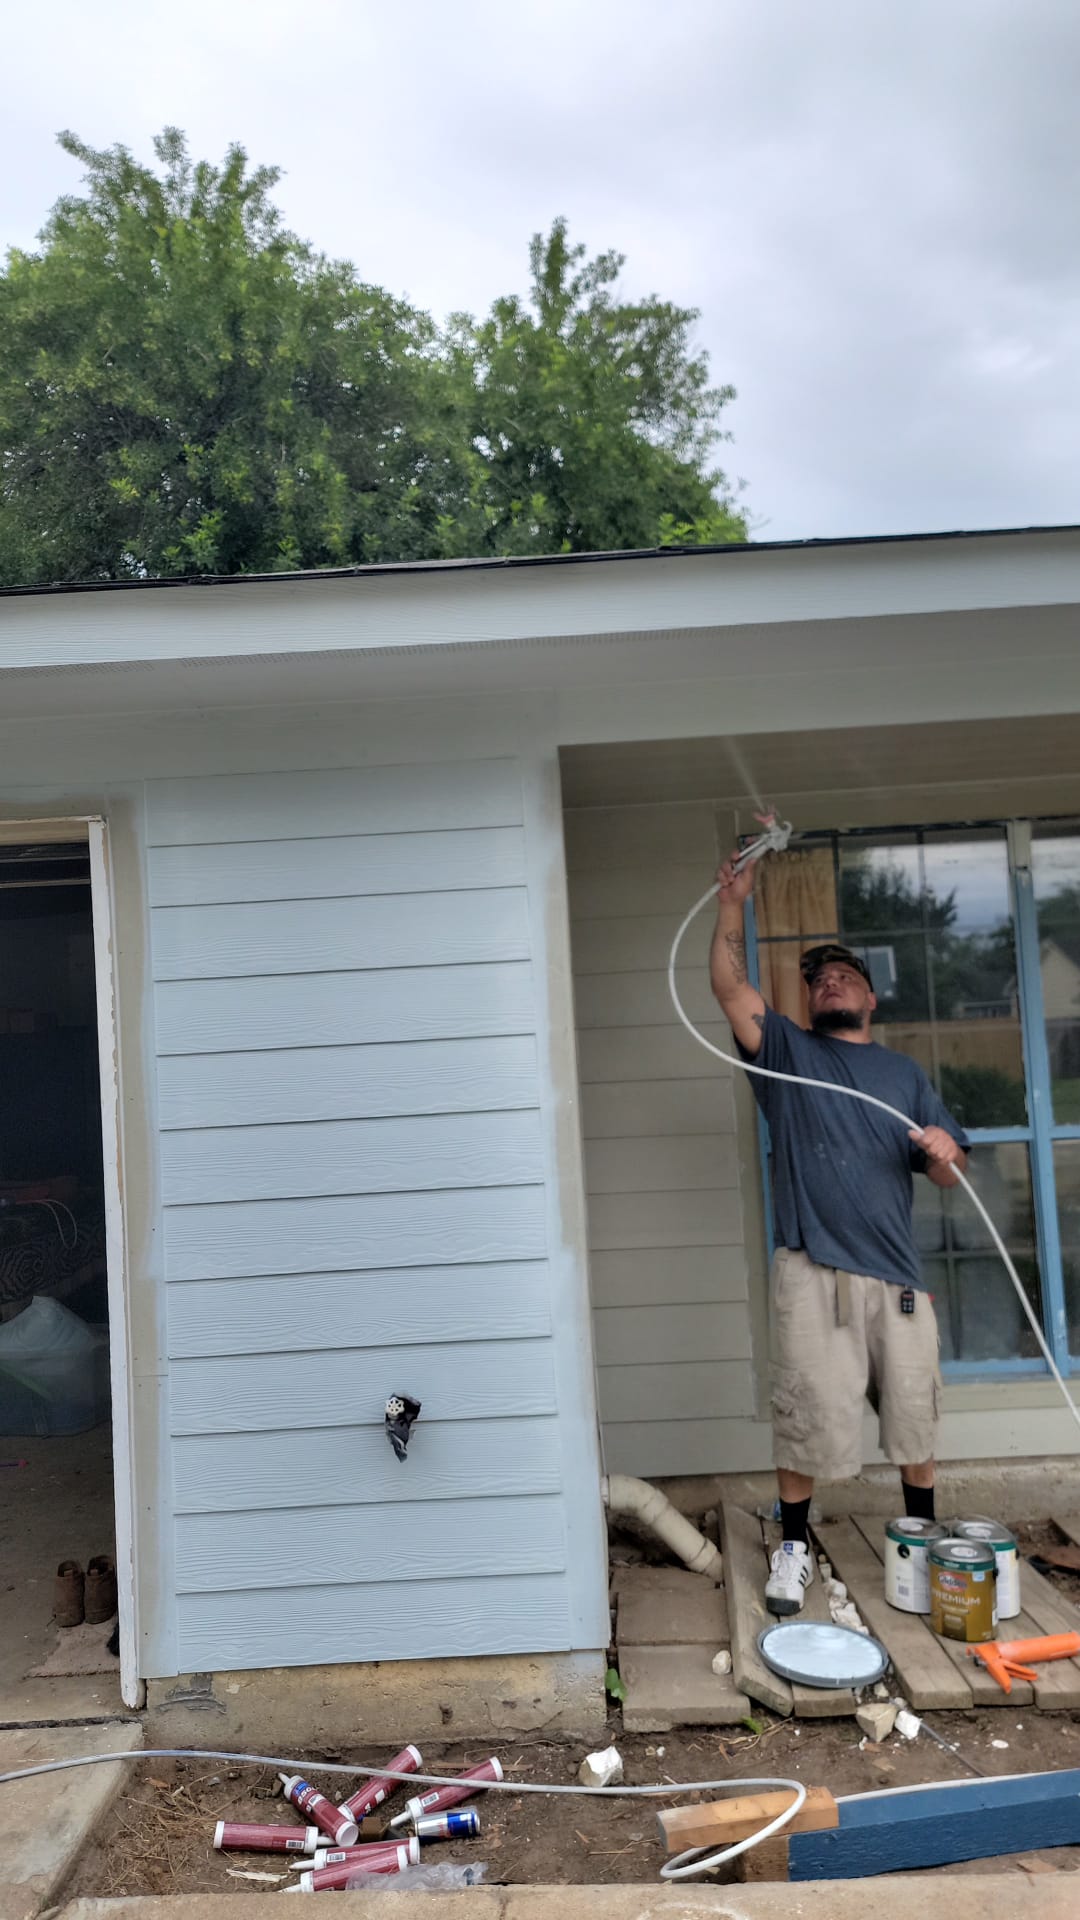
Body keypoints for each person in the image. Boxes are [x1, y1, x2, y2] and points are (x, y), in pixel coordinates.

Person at [709, 848, 970, 1615]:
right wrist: (733, 906)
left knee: (915, 1418)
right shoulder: (785, 1051)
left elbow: (949, 1178)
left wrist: (947, 1152)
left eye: (845, 976)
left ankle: (920, 1542)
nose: (830, 983)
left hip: (898, 1280)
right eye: (819, 978)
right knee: (808, 1422)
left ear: (870, 998)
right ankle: (794, 1547)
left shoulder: (906, 1077)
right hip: (812, 1270)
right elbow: (729, 986)